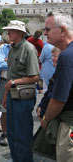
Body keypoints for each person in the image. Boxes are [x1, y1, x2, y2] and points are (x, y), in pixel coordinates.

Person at [2, 20, 40, 162]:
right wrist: (6, 95)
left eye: (11, 30)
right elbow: (10, 75)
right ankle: (16, 158)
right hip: (12, 95)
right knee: (12, 132)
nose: (8, 33)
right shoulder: (12, 49)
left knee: (23, 133)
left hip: (24, 98)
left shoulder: (29, 49)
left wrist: (14, 82)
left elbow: (35, 77)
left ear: (20, 33)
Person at [38, 12, 73, 162]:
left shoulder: (66, 57)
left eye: (47, 29)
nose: (44, 33)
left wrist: (46, 119)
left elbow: (59, 100)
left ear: (63, 30)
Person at [0, 38, 11, 146]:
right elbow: (0, 65)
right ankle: (4, 134)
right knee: (3, 109)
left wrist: (8, 60)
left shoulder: (26, 47)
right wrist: (15, 62)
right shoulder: (3, 48)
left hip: (18, 83)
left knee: (17, 109)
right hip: (3, 81)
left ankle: (14, 133)